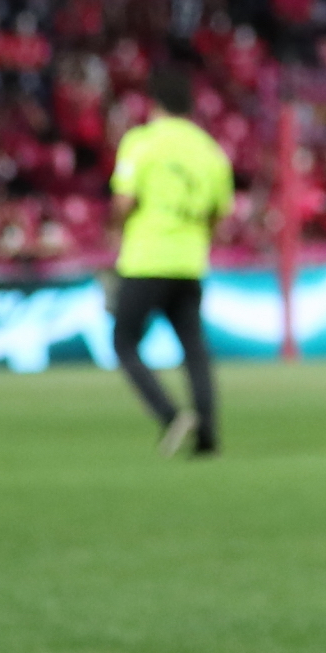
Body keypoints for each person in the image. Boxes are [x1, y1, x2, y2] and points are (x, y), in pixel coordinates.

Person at [109, 62, 235, 457]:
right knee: (194, 347)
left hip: (146, 257)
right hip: (189, 260)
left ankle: (169, 414)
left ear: (153, 103)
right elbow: (219, 211)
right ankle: (208, 433)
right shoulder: (209, 150)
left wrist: (115, 224)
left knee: (124, 342)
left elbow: (124, 201)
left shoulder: (141, 142)